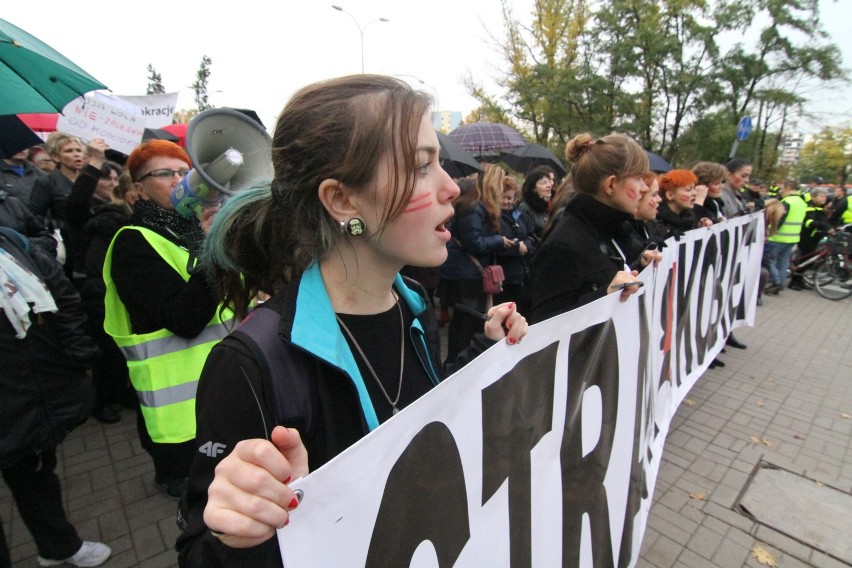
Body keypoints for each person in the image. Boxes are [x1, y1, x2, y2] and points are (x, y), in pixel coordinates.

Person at [175, 75, 528, 566]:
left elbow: (414, 413)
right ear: (342, 201)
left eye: (440, 163)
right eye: (422, 166)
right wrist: (240, 532)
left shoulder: (412, 307)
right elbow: (199, 551)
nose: (451, 188)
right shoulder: (252, 364)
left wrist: (484, 349)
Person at [103, 140, 234, 499]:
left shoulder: (192, 229)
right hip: (182, 413)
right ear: (139, 189)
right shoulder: (132, 244)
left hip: (224, 385)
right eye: (165, 173)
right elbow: (185, 318)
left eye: (184, 172)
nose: (178, 180)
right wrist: (213, 248)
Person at [0, 227, 111, 568]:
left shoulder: (10, 242)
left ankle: (58, 547)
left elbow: (62, 294)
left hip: (25, 399)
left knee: (35, 476)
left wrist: (78, 356)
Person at [528, 133, 661, 322]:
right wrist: (605, 295)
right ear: (611, 184)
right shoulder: (563, 245)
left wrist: (640, 265)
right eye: (638, 178)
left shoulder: (613, 229)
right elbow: (544, 326)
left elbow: (611, 273)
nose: (644, 188)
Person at [441, 163, 515, 363]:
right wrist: (499, 241)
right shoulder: (474, 207)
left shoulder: (477, 204)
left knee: (467, 321)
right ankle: (458, 363)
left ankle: (460, 360)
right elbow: (473, 241)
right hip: (467, 273)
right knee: (467, 321)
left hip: (468, 271)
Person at [496, 175, 537, 305]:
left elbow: (532, 235)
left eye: (510, 198)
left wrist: (527, 245)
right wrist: (516, 247)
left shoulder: (520, 215)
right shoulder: (493, 217)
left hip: (522, 272)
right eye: (503, 197)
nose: (507, 201)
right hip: (504, 274)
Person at [763, 181, 807, 295]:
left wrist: (769, 232)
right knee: (784, 262)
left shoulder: (787, 202)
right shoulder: (802, 202)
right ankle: (780, 283)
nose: (780, 191)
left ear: (788, 188)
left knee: (767, 259)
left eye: (782, 188)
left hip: (779, 237)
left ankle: (777, 282)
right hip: (793, 237)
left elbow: (779, 219)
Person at [651, 169, 713, 242]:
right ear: (670, 195)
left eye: (694, 188)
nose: (695, 193)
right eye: (688, 190)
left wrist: (699, 228)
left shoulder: (689, 220)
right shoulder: (657, 223)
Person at [789, 187, 832, 290]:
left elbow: (823, 220)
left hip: (815, 237)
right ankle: (794, 281)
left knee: (810, 261)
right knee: (805, 260)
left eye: (825, 196)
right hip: (807, 237)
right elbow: (808, 223)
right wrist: (824, 226)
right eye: (821, 196)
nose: (824, 198)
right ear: (813, 197)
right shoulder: (809, 207)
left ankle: (800, 280)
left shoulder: (819, 207)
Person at [518, 165, 555, 238]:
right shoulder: (525, 207)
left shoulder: (547, 205)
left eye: (549, 182)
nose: (549, 185)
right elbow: (526, 235)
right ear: (533, 188)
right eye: (543, 183)